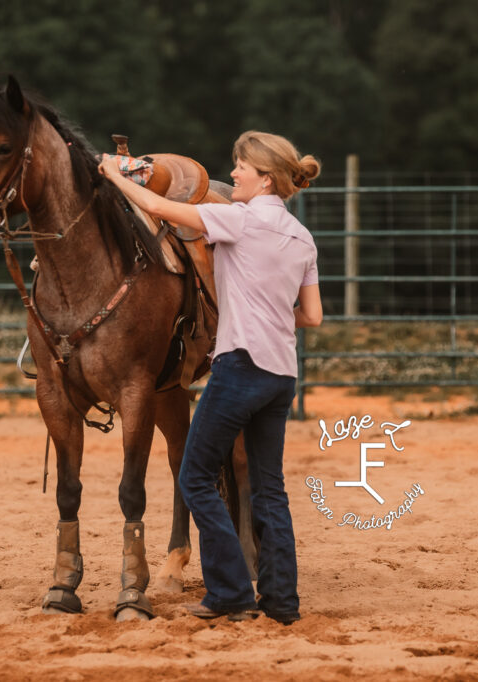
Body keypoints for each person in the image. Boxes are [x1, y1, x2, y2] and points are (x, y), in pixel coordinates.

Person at [98, 131, 323, 625]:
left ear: (265, 178)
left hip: (239, 368)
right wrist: (270, 312)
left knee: (196, 476)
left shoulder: (237, 221)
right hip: (281, 374)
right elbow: (312, 316)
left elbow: (158, 204)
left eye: (240, 167)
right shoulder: (302, 237)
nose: (234, 174)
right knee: (270, 488)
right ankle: (282, 602)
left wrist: (115, 175)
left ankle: (229, 592)